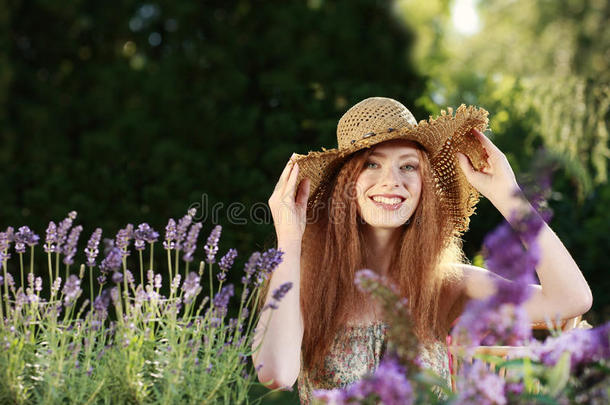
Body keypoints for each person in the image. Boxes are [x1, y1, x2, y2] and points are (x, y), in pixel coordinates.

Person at [252, 97, 592, 404]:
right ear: (346, 185)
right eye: (371, 164)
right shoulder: (308, 282)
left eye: (408, 166)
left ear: (423, 186)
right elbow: (275, 374)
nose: (391, 180)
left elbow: (571, 299)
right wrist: (290, 240)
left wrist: (510, 197)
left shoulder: (446, 284)